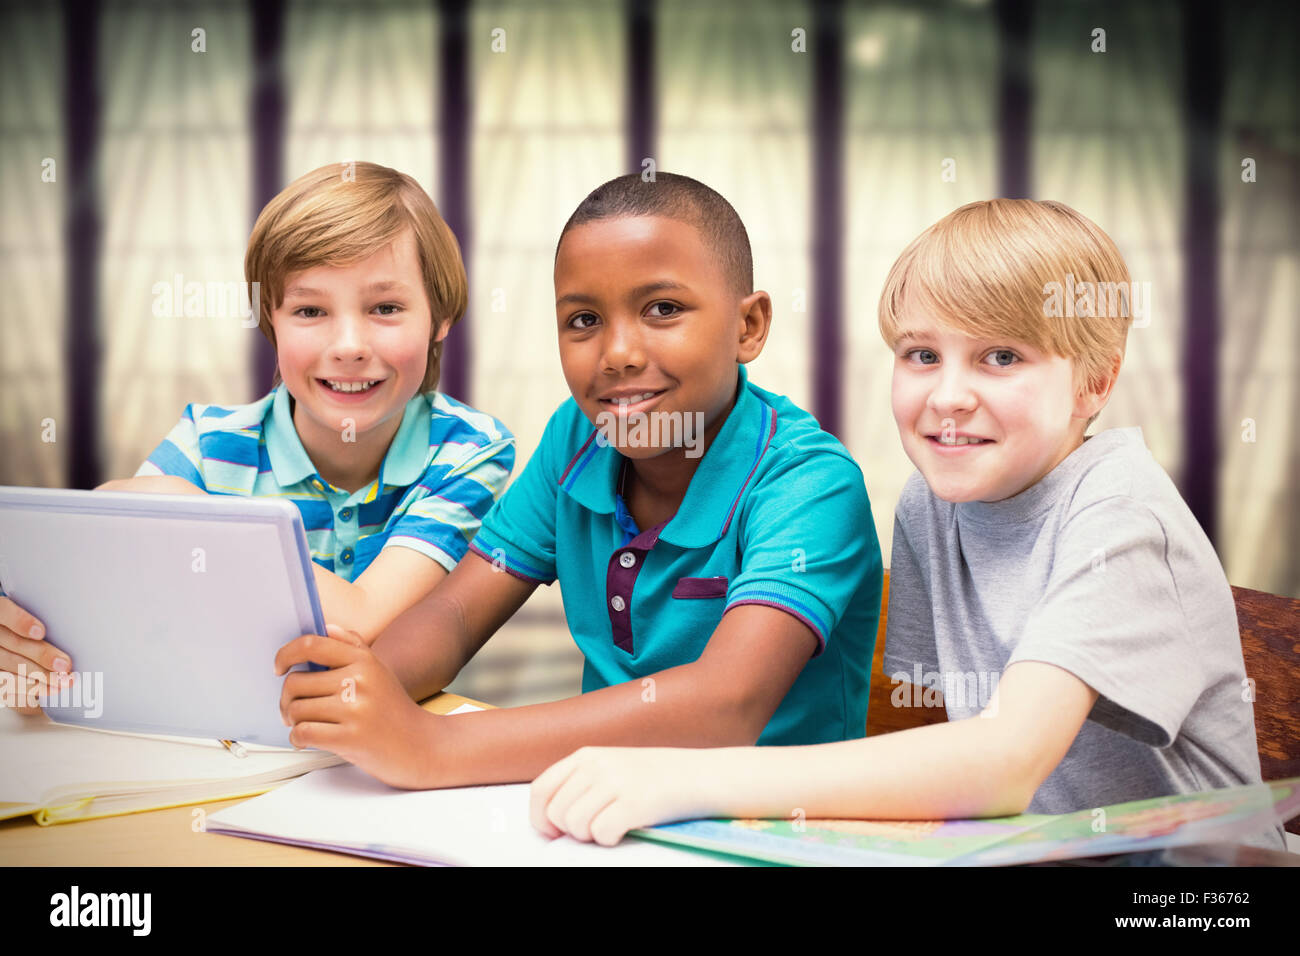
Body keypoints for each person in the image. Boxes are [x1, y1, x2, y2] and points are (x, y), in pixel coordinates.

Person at [527, 198, 1285, 852]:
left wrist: (678, 777)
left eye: (1000, 357)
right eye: (922, 354)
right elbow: (936, 730)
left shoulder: (1122, 520)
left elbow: (1002, 759)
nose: (948, 396)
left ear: (1095, 380)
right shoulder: (931, 506)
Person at [272, 172, 883, 788]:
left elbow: (722, 706)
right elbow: (456, 613)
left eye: (663, 309)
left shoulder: (809, 484)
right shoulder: (579, 438)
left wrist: (434, 746)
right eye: (584, 319)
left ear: (748, 327)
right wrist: (357, 693)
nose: (617, 352)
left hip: (769, 831)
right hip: (597, 814)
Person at [0, 161, 513, 714]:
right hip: (222, 733)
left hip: (385, 745)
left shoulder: (468, 449)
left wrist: (189, 512)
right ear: (271, 319)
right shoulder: (208, 441)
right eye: (309, 309)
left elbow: (362, 621)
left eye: (385, 308)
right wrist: (32, 649)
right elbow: (110, 605)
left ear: (440, 318)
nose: (347, 345)